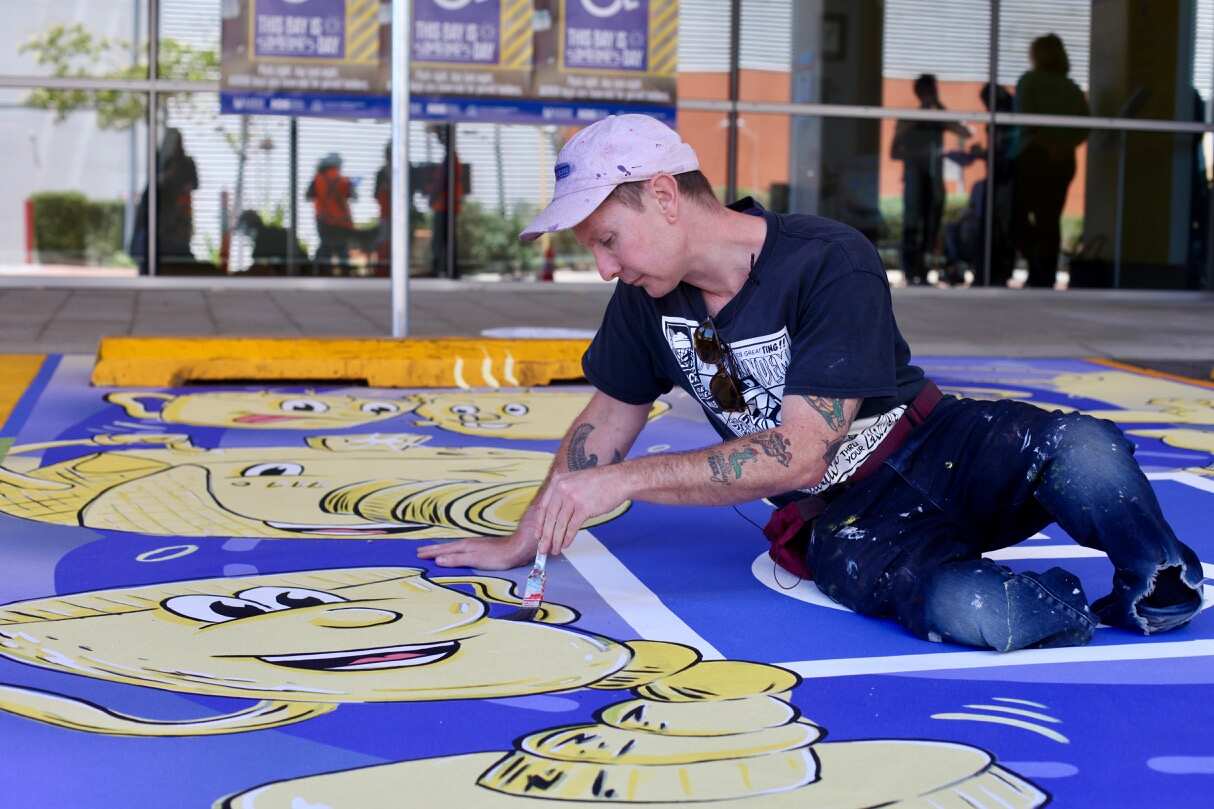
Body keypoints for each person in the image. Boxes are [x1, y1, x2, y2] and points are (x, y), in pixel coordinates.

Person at [418, 113, 1204, 653]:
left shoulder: (828, 257)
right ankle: (1062, 610)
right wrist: (524, 536)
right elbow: (606, 421)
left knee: (1084, 447)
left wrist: (620, 484)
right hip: (851, 519)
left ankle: (1157, 579)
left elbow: (797, 451)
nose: (605, 265)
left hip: (941, 442)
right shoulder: (643, 301)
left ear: (663, 195)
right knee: (976, 611)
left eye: (608, 238)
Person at [1012, 34, 1089, 288]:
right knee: (1049, 219)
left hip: (1034, 156)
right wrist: (1063, 146)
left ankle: (1038, 268)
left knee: (1019, 215)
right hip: (1062, 160)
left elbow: (1026, 117)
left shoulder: (1030, 81)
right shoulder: (1072, 88)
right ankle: (1043, 274)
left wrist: (1049, 145)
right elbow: (1083, 126)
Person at [890, 75, 970, 285]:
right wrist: (916, 151)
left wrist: (939, 108)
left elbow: (964, 132)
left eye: (932, 91)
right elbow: (894, 151)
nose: (929, 96)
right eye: (927, 91)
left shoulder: (939, 118)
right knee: (912, 224)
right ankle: (910, 270)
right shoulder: (908, 118)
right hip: (914, 179)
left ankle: (925, 270)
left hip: (934, 180)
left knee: (931, 226)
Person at [129, 127, 199, 274]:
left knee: (178, 249)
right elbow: (154, 183)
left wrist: (183, 189)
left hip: (179, 213)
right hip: (160, 210)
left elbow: (194, 184)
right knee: (154, 246)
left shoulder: (186, 162)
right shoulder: (159, 160)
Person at [306, 152, 358, 275]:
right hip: (341, 222)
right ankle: (345, 275)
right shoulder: (344, 181)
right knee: (342, 249)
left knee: (326, 247)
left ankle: (321, 273)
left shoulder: (317, 180)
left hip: (323, 220)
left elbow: (308, 196)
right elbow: (354, 196)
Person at [235, 210, 307, 275]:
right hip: (296, 270)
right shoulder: (268, 233)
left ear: (250, 226)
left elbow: (257, 264)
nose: (246, 235)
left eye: (245, 230)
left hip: (296, 272)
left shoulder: (264, 236)